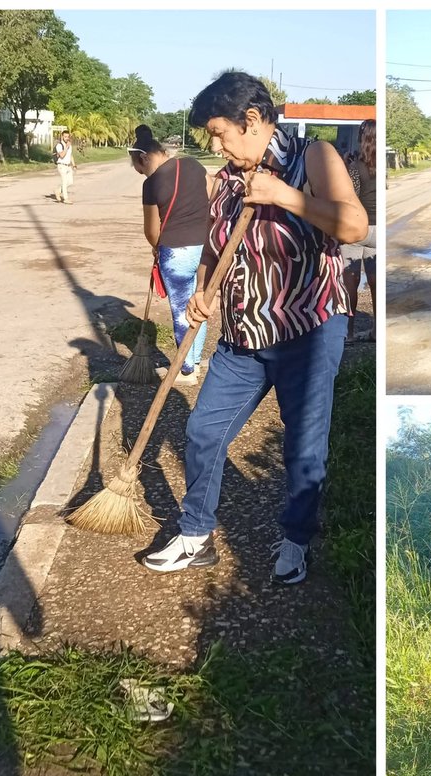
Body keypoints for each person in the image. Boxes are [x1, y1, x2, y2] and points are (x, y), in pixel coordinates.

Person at [142, 72, 367, 585]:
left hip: (308, 330)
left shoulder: (314, 156)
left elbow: (354, 227)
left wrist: (284, 196)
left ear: (252, 120)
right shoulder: (225, 179)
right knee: (202, 432)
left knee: (303, 447)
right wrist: (204, 289)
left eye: (220, 132)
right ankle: (195, 534)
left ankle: (296, 539)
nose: (216, 144)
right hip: (243, 337)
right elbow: (216, 248)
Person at [128, 124, 212, 383]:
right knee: (199, 301)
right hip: (206, 249)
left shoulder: (151, 185)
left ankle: (186, 369)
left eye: (139, 168)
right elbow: (212, 196)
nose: (141, 173)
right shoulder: (195, 166)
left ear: (143, 157)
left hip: (175, 253)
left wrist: (156, 247)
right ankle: (196, 359)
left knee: (180, 310)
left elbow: (152, 230)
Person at [343, 119, 377, 343]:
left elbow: (349, 197)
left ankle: (349, 332)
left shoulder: (356, 168)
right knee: (375, 282)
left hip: (357, 229)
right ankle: (376, 331)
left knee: (350, 282)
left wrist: (346, 168)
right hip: (378, 230)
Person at [53, 129, 75, 203]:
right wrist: (66, 147)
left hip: (68, 165)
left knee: (70, 182)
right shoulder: (59, 145)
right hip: (61, 166)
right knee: (64, 182)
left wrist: (74, 164)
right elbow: (62, 155)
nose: (67, 138)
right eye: (65, 136)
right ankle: (66, 199)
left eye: (68, 137)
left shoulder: (69, 145)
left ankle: (58, 190)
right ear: (62, 137)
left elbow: (70, 155)